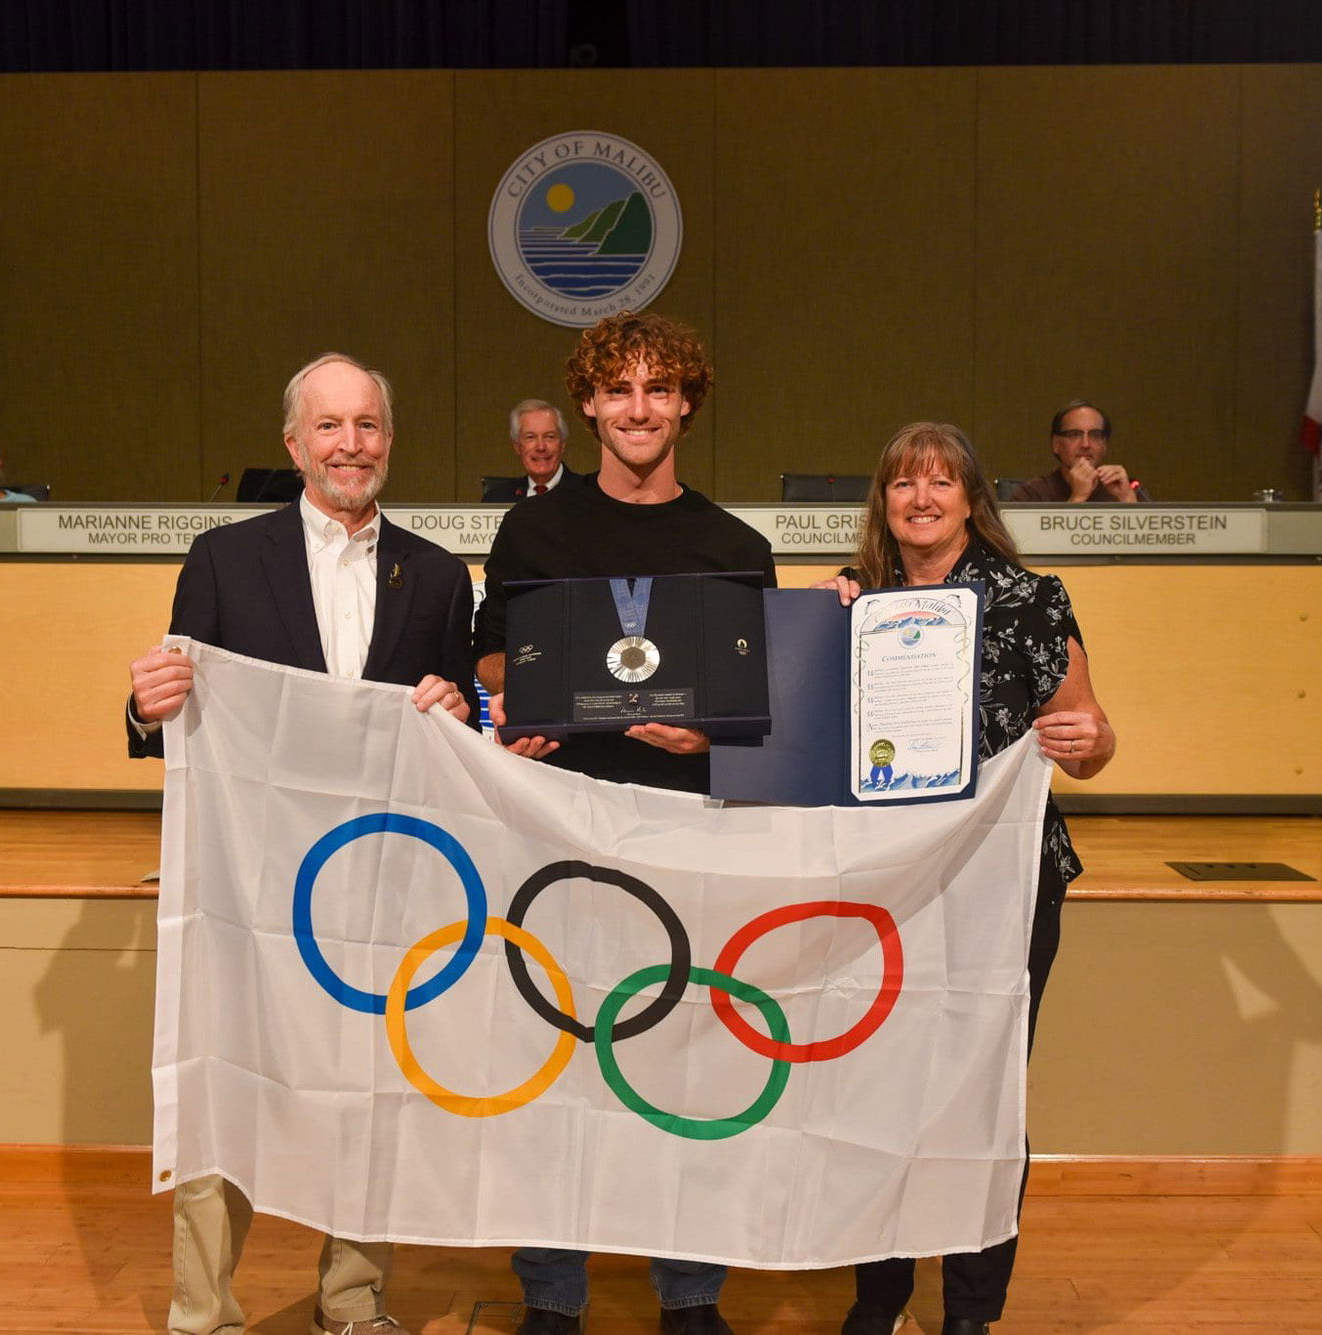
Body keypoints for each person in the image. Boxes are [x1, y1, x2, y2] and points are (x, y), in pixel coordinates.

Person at [127, 352, 475, 1335]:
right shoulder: (224, 559)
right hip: (249, 883)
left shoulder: (441, 576)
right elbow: (177, 705)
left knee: (373, 1094)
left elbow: (464, 723)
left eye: (367, 425)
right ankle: (204, 1315)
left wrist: (457, 706)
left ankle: (352, 1304)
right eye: (329, 427)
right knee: (223, 1087)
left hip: (384, 885)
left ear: (389, 441)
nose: (350, 445)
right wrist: (142, 706)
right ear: (292, 444)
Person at [474, 311, 775, 1333]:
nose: (638, 408)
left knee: (682, 1056)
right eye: (619, 390)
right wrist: (516, 695)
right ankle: (551, 1295)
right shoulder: (532, 532)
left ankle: (688, 1293)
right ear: (588, 405)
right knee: (553, 1051)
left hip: (688, 828)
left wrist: (713, 743)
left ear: (686, 403)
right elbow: (487, 654)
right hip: (553, 823)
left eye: (660, 389)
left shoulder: (734, 546)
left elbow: (757, 710)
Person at [817, 421, 1114, 1335]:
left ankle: (971, 1312)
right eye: (905, 483)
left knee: (984, 1094)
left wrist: (1094, 742)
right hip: (886, 886)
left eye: (941, 482)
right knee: (882, 1091)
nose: (921, 498)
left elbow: (1091, 733)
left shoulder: (1030, 598)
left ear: (972, 500)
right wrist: (815, 633)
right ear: (885, 502)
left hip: (1005, 881)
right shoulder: (849, 602)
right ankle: (881, 1299)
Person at [1004, 401, 1150, 504]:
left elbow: (1151, 546)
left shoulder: (1127, 488)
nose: (1085, 444)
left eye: (1095, 435)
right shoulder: (1030, 495)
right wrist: (1078, 498)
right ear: (1056, 444)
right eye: (1074, 434)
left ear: (1104, 445)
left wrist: (1129, 502)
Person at [481, 399, 580, 502]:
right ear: (517, 446)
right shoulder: (496, 498)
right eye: (530, 437)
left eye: (549, 437)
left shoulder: (588, 494)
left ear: (562, 444)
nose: (541, 447)